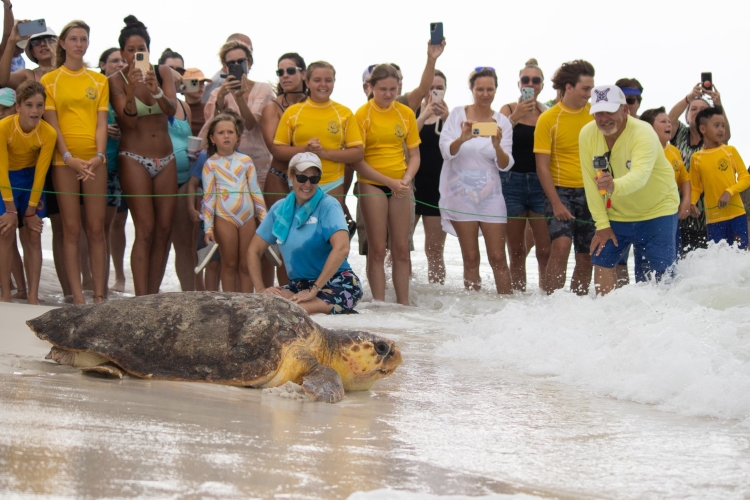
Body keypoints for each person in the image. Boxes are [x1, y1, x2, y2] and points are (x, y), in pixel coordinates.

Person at [580, 85, 679, 296]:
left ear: (625, 110)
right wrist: (602, 224)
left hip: (658, 209)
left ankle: (665, 321)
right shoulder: (587, 134)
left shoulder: (644, 132)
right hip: (617, 213)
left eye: (610, 111)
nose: (604, 118)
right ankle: (607, 319)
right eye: (598, 113)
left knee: (661, 276)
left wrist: (614, 185)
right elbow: (590, 183)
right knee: (602, 260)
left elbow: (640, 176)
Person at [41, 20, 109, 305]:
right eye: (73, 39)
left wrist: (98, 157)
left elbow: (102, 123)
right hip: (63, 162)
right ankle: (78, 296)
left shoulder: (99, 80)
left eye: (84, 39)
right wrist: (68, 157)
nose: (79, 44)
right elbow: (51, 124)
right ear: (63, 43)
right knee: (70, 229)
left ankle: (99, 296)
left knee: (96, 228)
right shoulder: (49, 80)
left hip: (95, 162)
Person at [109, 16, 178, 297]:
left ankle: (153, 294)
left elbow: (171, 110)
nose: (136, 53)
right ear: (123, 52)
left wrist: (156, 90)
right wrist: (128, 92)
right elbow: (129, 123)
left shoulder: (162, 72)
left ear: (148, 50)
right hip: (133, 157)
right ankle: (139, 298)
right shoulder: (115, 79)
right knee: (145, 229)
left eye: (142, 48)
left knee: (164, 230)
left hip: (167, 158)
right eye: (130, 49)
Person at [248, 152, 363, 315]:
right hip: (299, 285)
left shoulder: (329, 205)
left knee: (293, 313)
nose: (307, 184)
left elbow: (342, 248)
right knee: (266, 308)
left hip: (339, 282)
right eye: (302, 178)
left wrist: (314, 290)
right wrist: (260, 289)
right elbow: (253, 251)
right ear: (291, 177)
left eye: (313, 179)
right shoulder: (279, 209)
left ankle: (335, 313)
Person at [439, 67, 514, 295]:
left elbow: (506, 164)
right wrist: (462, 138)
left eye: (489, 89)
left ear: (496, 90)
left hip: (491, 197)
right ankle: (473, 309)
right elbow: (445, 151)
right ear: (471, 89)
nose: (485, 94)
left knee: (498, 257)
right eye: (480, 89)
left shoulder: (503, 122)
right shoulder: (457, 115)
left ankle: (508, 307)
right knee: (470, 258)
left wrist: (497, 145)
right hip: (460, 194)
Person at [353, 64, 421, 305]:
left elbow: (415, 156)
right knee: (378, 249)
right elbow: (357, 161)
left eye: (393, 89)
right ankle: (380, 305)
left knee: (402, 250)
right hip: (372, 183)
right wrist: (389, 181)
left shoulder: (406, 113)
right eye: (383, 89)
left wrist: (405, 179)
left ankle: (404, 306)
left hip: (401, 184)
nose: (389, 94)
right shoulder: (362, 115)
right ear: (371, 87)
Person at [534, 59, 595, 295]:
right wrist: (557, 203)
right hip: (559, 191)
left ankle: (576, 307)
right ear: (568, 87)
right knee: (560, 247)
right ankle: (550, 304)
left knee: (587, 254)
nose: (589, 95)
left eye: (591, 89)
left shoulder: (594, 115)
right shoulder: (548, 119)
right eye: (585, 89)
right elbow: (542, 167)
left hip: (591, 191)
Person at [273, 61, 363, 213]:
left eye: (328, 80)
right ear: (307, 82)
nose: (323, 84)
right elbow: (278, 150)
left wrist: (324, 153)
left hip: (333, 183)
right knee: (302, 233)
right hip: (300, 183)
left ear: (334, 82)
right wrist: (305, 149)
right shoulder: (293, 112)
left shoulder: (345, 113)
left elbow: (358, 153)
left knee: (330, 234)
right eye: (317, 80)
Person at [0, 81, 56, 304]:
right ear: (18, 107)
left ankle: (32, 295)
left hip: (31, 178)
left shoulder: (48, 133)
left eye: (39, 105)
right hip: (6, 180)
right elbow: (1, 170)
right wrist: (11, 210)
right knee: (5, 232)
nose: (35, 111)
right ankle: (6, 294)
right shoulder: (4, 127)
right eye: (29, 105)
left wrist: (31, 212)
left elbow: (41, 174)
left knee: (33, 235)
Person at [499, 58, 551, 292]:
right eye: (526, 80)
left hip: (541, 182)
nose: (530, 83)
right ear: (519, 84)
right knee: (517, 250)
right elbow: (493, 136)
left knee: (544, 250)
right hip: (512, 182)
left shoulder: (547, 114)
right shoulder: (508, 110)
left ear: (541, 85)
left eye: (535, 80)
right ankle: (517, 298)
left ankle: (545, 297)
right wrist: (515, 117)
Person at [202, 113, 266, 292]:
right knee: (229, 264)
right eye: (221, 132)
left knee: (246, 264)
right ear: (212, 138)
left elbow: (255, 191)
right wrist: (208, 228)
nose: (226, 135)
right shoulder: (210, 164)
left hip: (247, 218)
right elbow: (208, 198)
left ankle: (247, 306)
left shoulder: (246, 161)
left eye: (230, 132)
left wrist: (264, 218)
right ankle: (230, 306)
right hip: (224, 218)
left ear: (237, 136)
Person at [260, 52, 307, 286]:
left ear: (303, 73)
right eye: (280, 72)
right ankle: (286, 297)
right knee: (282, 241)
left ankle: (311, 296)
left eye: (291, 71)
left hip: (312, 180)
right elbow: (275, 149)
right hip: (279, 177)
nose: (285, 76)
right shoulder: (272, 107)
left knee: (311, 241)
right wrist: (309, 149)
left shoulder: (317, 105)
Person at [202, 40, 274, 193]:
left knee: (262, 213)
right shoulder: (217, 93)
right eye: (231, 62)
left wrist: (239, 97)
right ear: (224, 66)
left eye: (240, 61)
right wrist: (221, 99)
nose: (236, 65)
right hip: (229, 166)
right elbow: (212, 130)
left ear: (249, 62)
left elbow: (250, 124)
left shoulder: (263, 89)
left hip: (261, 165)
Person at [667, 85, 730, 253]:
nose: (698, 112)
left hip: (709, 214)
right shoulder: (679, 133)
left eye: (703, 110)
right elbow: (671, 118)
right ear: (687, 117)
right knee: (680, 264)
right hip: (680, 212)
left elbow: (726, 134)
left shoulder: (713, 138)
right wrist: (689, 97)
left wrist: (718, 105)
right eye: (693, 109)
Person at [689, 106, 750, 249]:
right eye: (716, 126)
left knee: (740, 256)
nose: (721, 129)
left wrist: (729, 191)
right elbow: (696, 187)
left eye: (723, 125)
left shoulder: (730, 151)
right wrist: (692, 202)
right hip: (713, 220)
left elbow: (746, 178)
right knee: (718, 259)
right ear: (703, 129)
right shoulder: (696, 158)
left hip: (737, 216)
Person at [160, 48, 196, 291]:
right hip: (160, 179)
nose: (177, 73)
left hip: (185, 179)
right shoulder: (152, 102)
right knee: (159, 239)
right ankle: (151, 292)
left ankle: (189, 294)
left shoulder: (185, 106)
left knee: (185, 243)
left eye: (181, 69)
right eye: (171, 68)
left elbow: (189, 138)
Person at [639, 107, 692, 262]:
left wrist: (687, 201)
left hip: (670, 213)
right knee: (646, 261)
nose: (669, 124)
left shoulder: (674, 151)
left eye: (669, 121)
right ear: (649, 127)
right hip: (646, 214)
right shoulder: (641, 150)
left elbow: (684, 179)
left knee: (673, 259)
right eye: (663, 121)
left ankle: (672, 286)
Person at [414, 69, 449, 284]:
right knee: (399, 247)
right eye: (430, 88)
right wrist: (425, 115)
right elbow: (406, 139)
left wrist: (445, 117)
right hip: (411, 186)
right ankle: (394, 296)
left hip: (439, 190)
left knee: (435, 250)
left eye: (439, 88)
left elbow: (464, 142)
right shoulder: (413, 112)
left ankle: (436, 296)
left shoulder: (452, 116)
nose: (434, 92)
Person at [98, 47, 128, 293]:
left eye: (122, 60)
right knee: (99, 227)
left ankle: (120, 276)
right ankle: (97, 278)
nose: (119, 63)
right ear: (103, 65)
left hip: (125, 165)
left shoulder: (129, 90)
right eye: (114, 60)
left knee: (119, 224)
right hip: (102, 163)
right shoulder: (97, 88)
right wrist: (101, 129)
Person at [0, 22, 56, 89]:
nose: (43, 44)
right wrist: (11, 41)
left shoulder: (69, 69)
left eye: (49, 40)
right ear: (32, 52)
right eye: (36, 42)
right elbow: (2, 80)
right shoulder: (27, 75)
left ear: (58, 45)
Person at [202, 33, 252, 103]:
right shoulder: (219, 82)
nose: (250, 53)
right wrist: (220, 96)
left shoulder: (259, 87)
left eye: (251, 50)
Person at [182, 68, 210, 136]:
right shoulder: (177, 109)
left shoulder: (210, 108)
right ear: (184, 86)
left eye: (203, 82)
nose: (201, 86)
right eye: (194, 82)